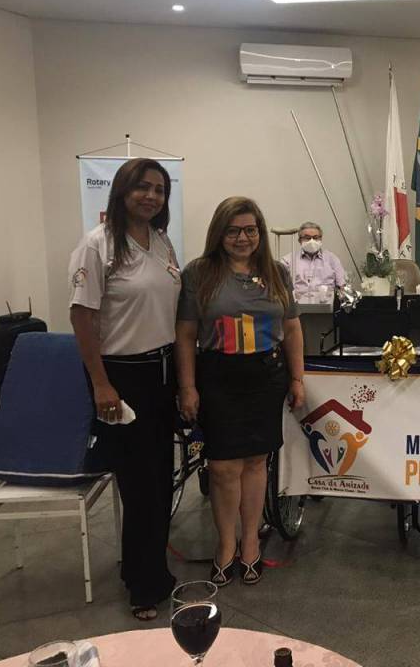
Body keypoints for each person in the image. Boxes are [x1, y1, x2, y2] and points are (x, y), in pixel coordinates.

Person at [68, 158, 180, 621]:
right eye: (142, 187)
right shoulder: (97, 245)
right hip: (122, 376)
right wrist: (100, 383)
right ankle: (143, 587)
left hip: (163, 371)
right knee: (138, 484)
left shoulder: (161, 241)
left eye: (159, 189)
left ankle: (148, 567)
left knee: (161, 478)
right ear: (121, 190)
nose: (151, 196)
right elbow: (82, 316)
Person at [175, 197, 305, 586]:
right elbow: (186, 335)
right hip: (218, 377)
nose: (242, 238)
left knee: (255, 463)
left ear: (259, 233)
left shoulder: (277, 273)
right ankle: (225, 544)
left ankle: (250, 544)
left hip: (265, 377)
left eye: (250, 230)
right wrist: (187, 387)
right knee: (222, 467)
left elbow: (292, 328)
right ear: (219, 233)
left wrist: (297, 378)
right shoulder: (198, 273)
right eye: (233, 231)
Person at [280, 221, 346, 301]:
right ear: (300, 240)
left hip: (326, 305)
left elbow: (342, 286)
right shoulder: (288, 260)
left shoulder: (332, 259)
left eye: (316, 237)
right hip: (297, 305)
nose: (312, 241)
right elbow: (278, 288)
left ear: (321, 239)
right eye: (307, 238)